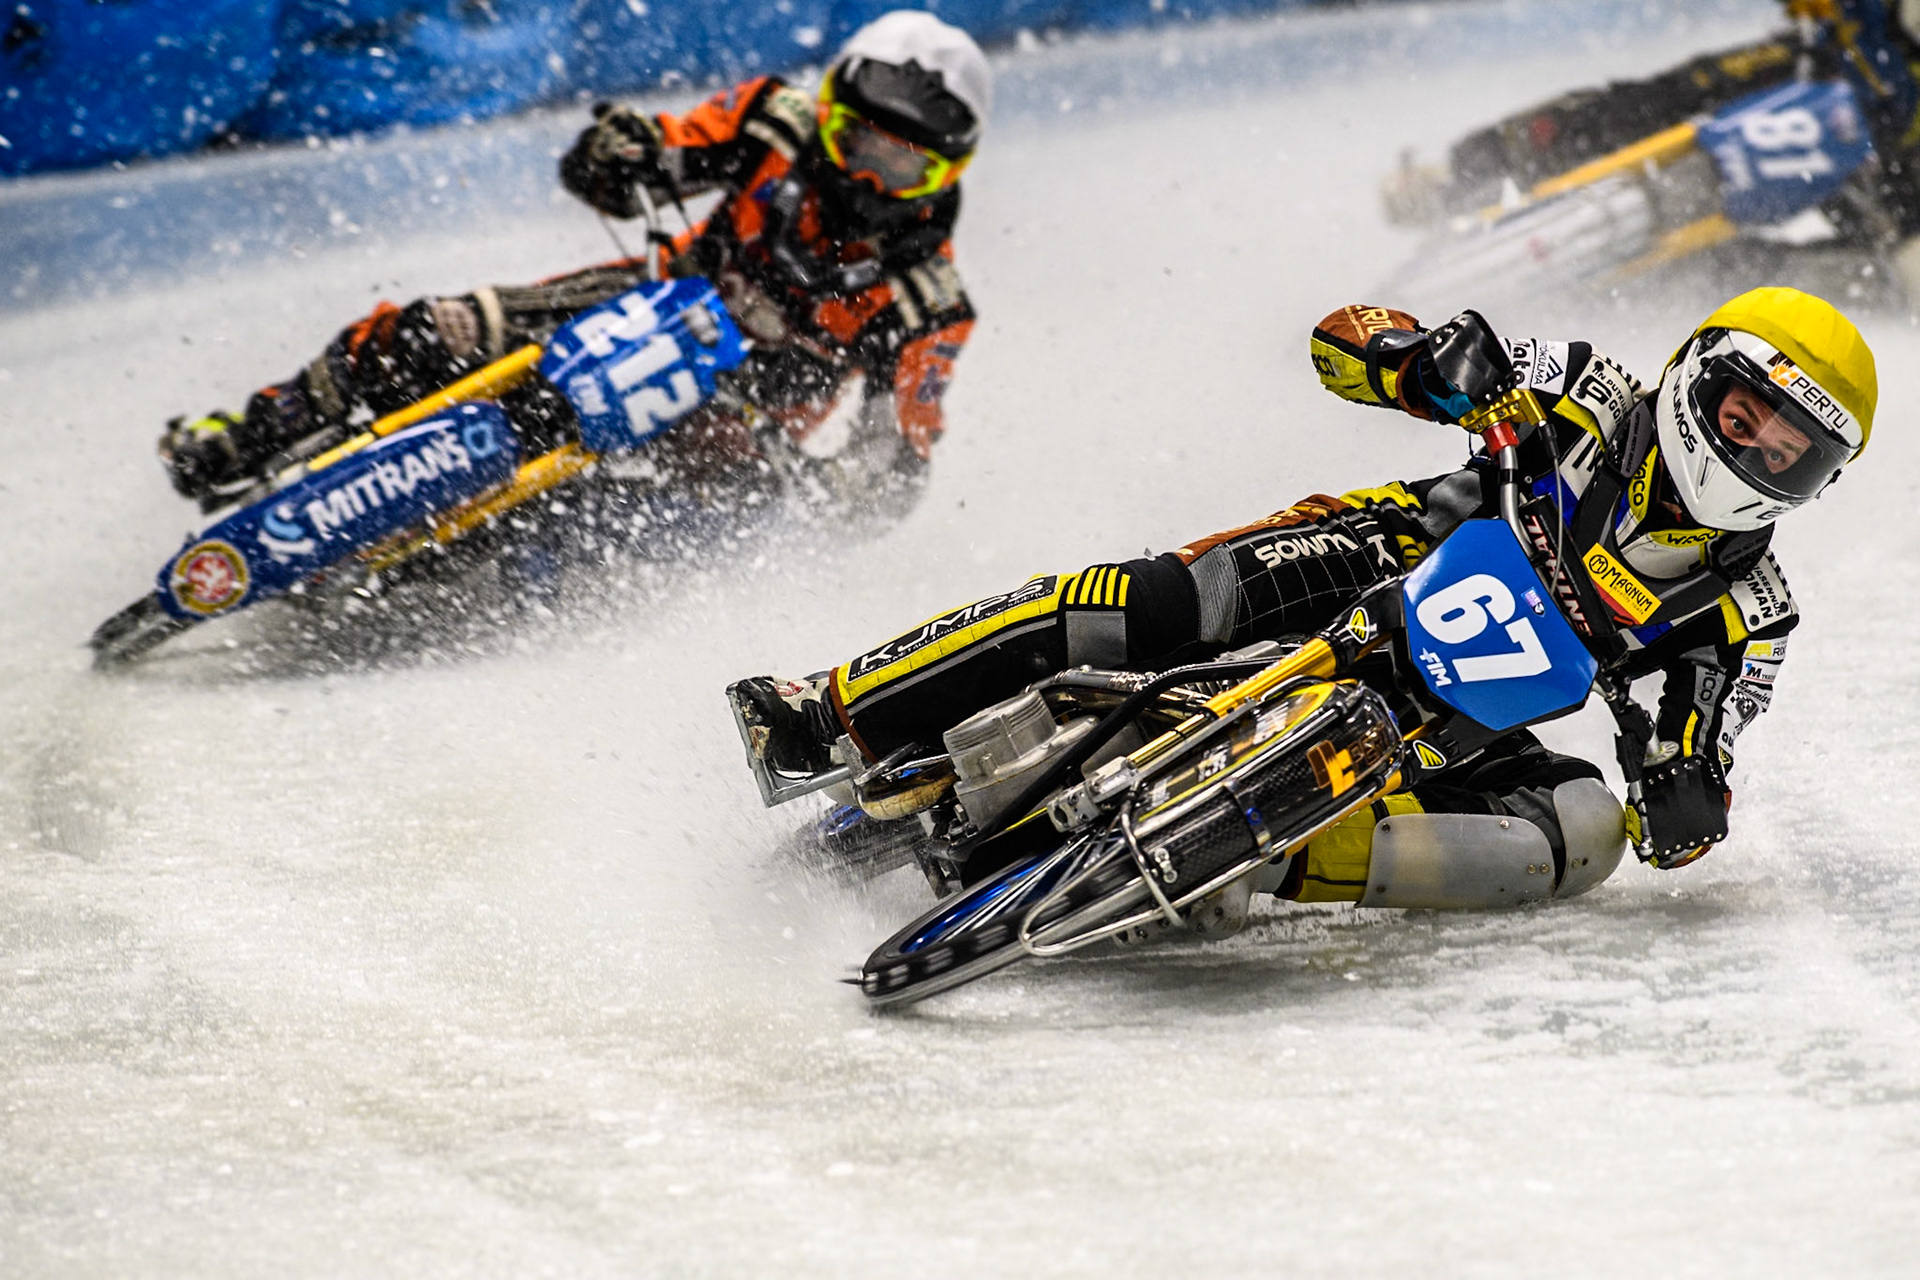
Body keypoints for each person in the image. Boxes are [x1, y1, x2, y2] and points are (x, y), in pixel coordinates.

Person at [734, 287, 1875, 902]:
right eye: (1745, 417)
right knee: (1156, 606)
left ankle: (1258, 857)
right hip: (1371, 556)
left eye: (1790, 452)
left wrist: (1685, 793)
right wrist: (1419, 359)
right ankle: (830, 706)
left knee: (1580, 833)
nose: (1753, 452)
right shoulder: (1585, 387)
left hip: (1458, 721)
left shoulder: (1755, 609)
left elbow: (1699, 759)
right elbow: (1342, 339)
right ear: (1696, 376)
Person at [157, 10, 989, 533]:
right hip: (643, 303)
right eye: (860, 143)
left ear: (948, 174)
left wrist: (820, 485)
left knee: (702, 521)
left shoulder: (927, 305)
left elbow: (893, 464)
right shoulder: (775, 118)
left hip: (743, 417)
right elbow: (641, 161)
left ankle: (505, 572)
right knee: (430, 331)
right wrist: (618, 152)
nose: (871, 178)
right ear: (829, 113)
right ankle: (250, 434)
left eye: (905, 167)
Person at [1387, 1, 1920, 287]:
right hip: (1829, 74)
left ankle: (1628, 303)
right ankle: (1470, 176)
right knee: (1658, 99)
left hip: (1896, 170)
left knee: (1855, 280)